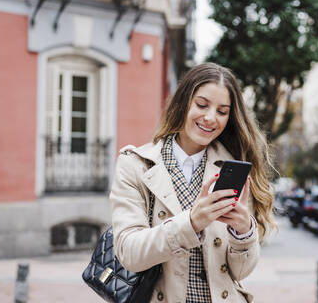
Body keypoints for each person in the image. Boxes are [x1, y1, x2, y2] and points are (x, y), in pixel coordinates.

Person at [110, 62, 275, 302]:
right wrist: (191, 222)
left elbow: (240, 272)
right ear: (183, 102)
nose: (210, 118)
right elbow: (130, 253)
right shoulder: (136, 165)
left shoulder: (233, 169)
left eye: (222, 111)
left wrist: (243, 233)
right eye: (202, 104)